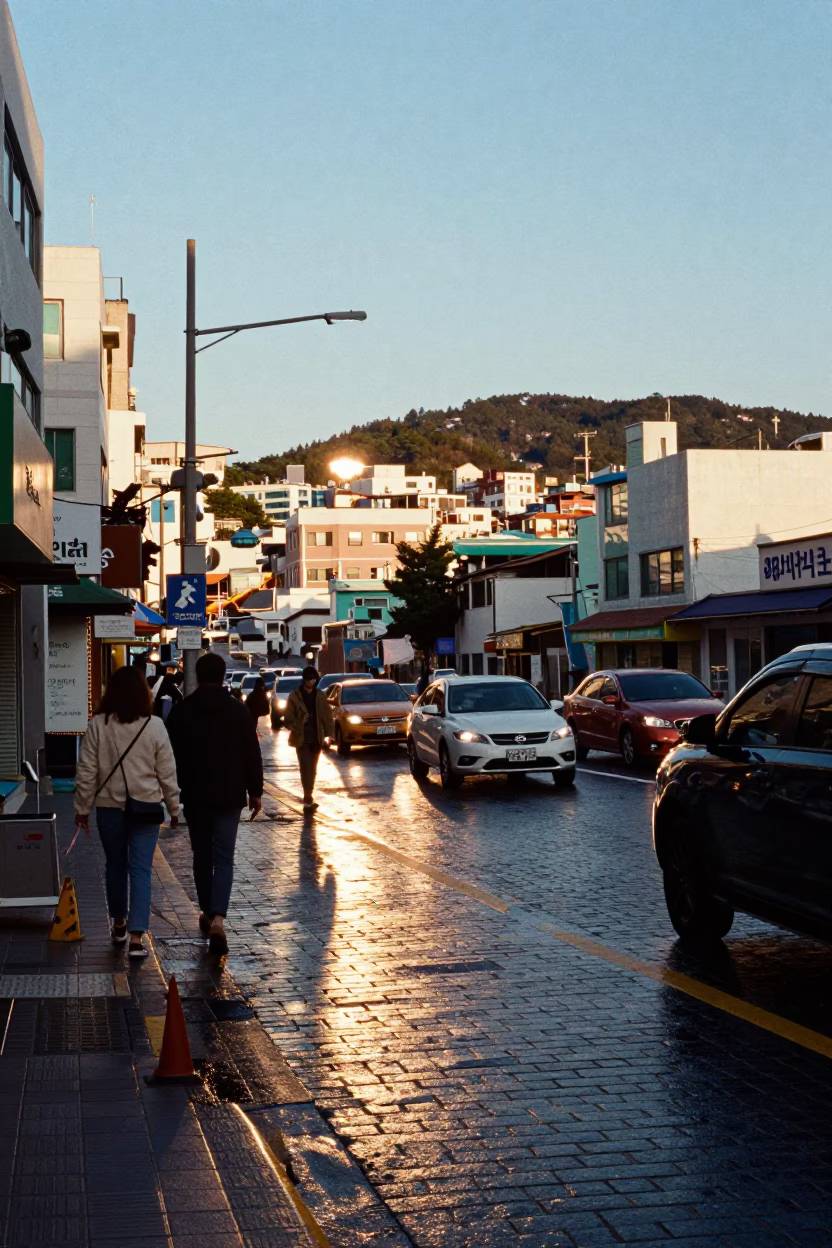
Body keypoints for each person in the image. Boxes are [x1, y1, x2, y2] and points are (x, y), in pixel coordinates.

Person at [74, 665, 180, 959]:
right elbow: (167, 773)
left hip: (109, 809)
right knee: (141, 870)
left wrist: (82, 808)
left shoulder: (98, 724)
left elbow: (87, 771)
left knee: (115, 866)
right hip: (146, 808)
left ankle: (119, 923)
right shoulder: (155, 725)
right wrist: (174, 807)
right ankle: (136, 937)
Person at [166, 651, 263, 955]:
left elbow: (171, 755)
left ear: (197, 675)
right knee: (224, 858)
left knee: (201, 856)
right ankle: (218, 917)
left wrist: (173, 791)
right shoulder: (237, 710)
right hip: (230, 794)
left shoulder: (183, 711)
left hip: (195, 795)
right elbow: (251, 751)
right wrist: (255, 790)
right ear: (222, 677)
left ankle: (208, 913)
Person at [283, 666, 335, 814]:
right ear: (304, 680)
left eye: (313, 680)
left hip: (316, 739)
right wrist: (300, 720)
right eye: (308, 680)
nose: (311, 682)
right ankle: (307, 798)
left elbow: (326, 717)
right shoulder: (295, 696)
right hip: (302, 739)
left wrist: (329, 735)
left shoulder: (320, 695)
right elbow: (288, 720)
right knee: (306, 768)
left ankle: (309, 796)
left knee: (312, 769)